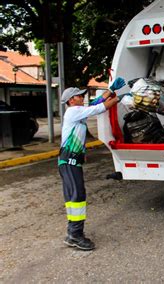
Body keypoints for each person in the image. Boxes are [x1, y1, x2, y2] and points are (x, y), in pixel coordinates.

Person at [59, 77, 126, 250]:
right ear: (71, 100)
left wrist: (111, 90)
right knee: (77, 197)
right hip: (69, 161)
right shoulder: (73, 112)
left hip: (72, 160)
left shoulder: (78, 111)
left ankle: (72, 233)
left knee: (76, 196)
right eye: (79, 96)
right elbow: (99, 108)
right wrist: (120, 97)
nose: (82, 97)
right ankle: (75, 235)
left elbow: (97, 102)